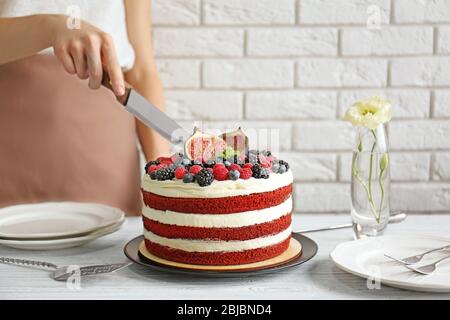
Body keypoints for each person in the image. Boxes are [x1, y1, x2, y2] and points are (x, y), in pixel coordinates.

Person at [0, 0, 168, 215]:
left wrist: (163, 173)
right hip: (9, 146)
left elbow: (142, 70)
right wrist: (51, 27)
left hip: (105, 155)